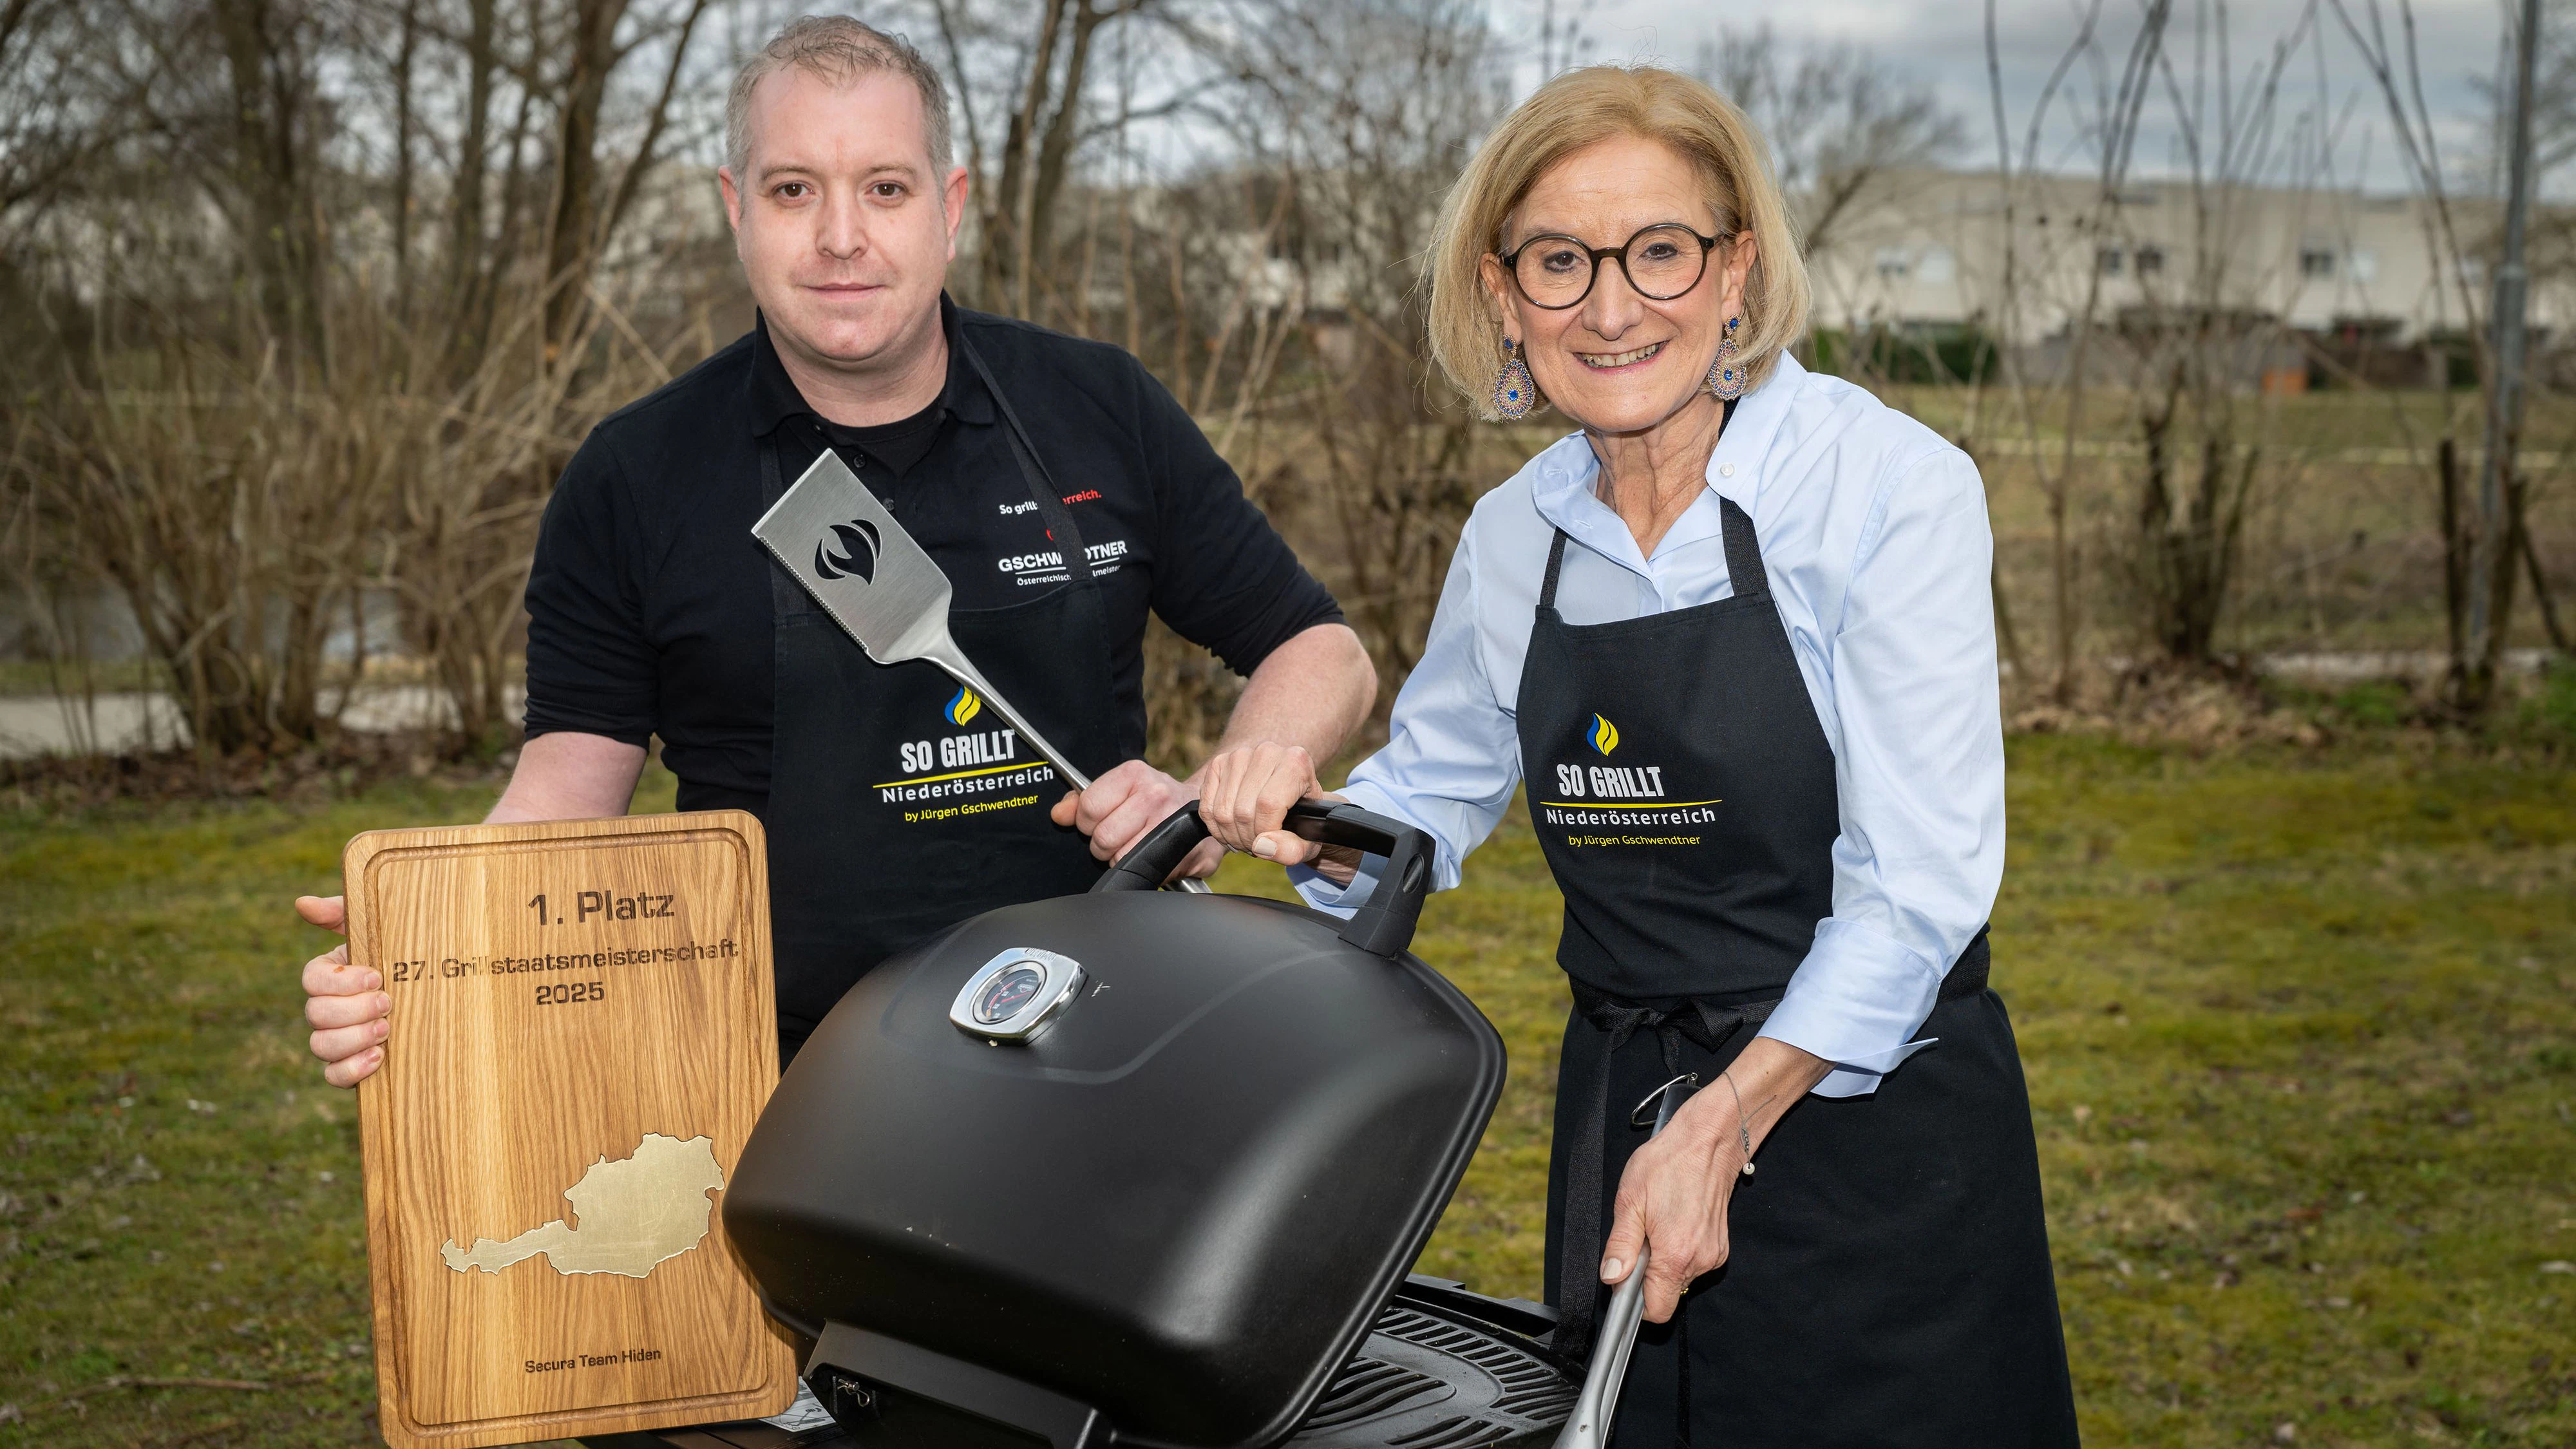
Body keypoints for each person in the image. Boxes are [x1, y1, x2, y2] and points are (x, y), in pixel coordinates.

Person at [1196, 66, 2077, 1446]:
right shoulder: (1512, 535)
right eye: (1559, 262)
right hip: (1629, 1125)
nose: (1610, 308)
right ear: (1502, 297)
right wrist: (1278, 823)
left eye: (1656, 251)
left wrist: (1724, 1123)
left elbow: (1915, 889)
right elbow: (1427, 796)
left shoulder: (1883, 491)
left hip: (1870, 1134)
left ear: (1732, 270)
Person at [298, 15, 1376, 1085]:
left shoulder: (1098, 407)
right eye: (793, 189)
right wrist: (422, 943)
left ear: (949, 209)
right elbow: (565, 794)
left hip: (1099, 1055)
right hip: (776, 1082)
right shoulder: (635, 475)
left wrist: (1210, 794)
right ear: (737, 209)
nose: (841, 236)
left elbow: (1319, 646)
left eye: (886, 188)